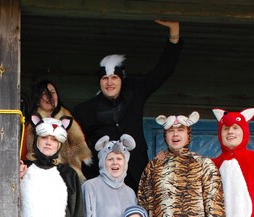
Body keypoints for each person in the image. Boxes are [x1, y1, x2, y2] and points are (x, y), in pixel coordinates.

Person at [72, 20, 182, 192]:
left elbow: (163, 70)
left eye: (114, 78)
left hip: (137, 174)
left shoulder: (135, 92)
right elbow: (77, 147)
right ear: (100, 82)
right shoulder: (84, 111)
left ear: (121, 79)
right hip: (103, 179)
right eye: (105, 78)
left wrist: (174, 34)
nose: (110, 83)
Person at [24, 80, 92, 182]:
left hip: (67, 174)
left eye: (53, 92)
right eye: (44, 93)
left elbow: (79, 149)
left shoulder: (69, 120)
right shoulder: (31, 124)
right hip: (37, 173)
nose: (50, 96)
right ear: (37, 99)